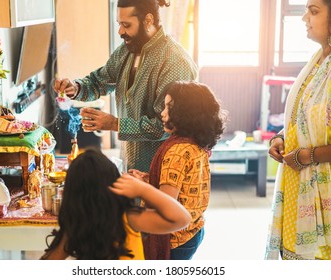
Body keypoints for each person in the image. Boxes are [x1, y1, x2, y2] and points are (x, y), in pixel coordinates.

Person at [53, 0, 198, 172]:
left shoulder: (174, 62)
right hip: (130, 165)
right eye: (119, 24)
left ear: (148, 20)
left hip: (164, 171)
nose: (121, 31)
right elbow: (99, 81)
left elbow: (164, 126)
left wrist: (115, 124)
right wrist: (76, 87)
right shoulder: (126, 51)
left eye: (126, 25)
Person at [266, 0, 331, 260]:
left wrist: (307, 156)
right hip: (298, 188)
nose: (304, 18)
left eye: (313, 11)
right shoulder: (319, 60)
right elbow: (302, 115)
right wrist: (280, 137)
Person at [116, 81, 226, 260]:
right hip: (194, 229)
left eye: (169, 107)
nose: (163, 113)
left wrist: (139, 188)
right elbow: (181, 183)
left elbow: (165, 205)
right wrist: (148, 180)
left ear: (186, 113)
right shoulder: (194, 142)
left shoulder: (176, 151)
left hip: (175, 240)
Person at [40, 148, 191, 260]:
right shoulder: (128, 219)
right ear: (114, 181)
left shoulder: (77, 227)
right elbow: (183, 218)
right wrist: (143, 189)